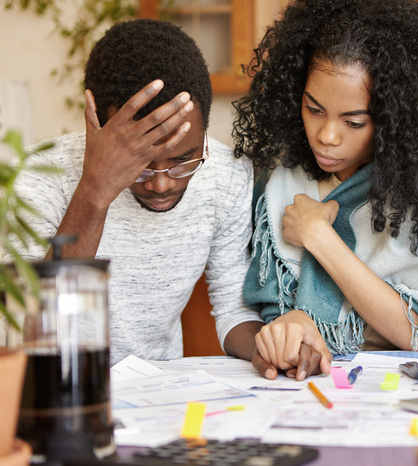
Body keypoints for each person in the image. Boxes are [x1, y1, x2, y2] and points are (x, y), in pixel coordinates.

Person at [234, 0, 418, 380]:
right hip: (314, 386)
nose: (326, 136)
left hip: (407, 387)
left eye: (353, 122)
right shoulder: (282, 182)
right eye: (313, 109)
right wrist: (288, 331)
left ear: (394, 120)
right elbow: (260, 313)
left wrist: (319, 237)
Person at [14, 19, 263, 364]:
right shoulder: (40, 173)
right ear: (95, 124)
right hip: (58, 395)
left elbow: (233, 307)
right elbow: (28, 326)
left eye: (183, 159)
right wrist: (94, 189)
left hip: (158, 395)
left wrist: (271, 351)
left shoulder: (228, 174)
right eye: (140, 163)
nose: (162, 184)